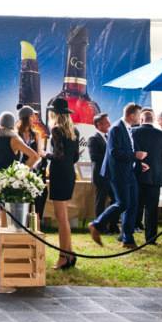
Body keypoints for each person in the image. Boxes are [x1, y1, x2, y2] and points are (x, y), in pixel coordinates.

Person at [90, 103, 143, 250]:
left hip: (129, 172)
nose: (140, 118)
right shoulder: (117, 128)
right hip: (118, 173)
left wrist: (138, 161)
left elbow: (130, 149)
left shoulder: (128, 128)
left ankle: (128, 239)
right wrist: (134, 155)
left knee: (133, 204)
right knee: (123, 203)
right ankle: (97, 224)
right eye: (138, 115)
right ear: (131, 115)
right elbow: (114, 152)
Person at [44, 99, 80, 269]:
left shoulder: (56, 130)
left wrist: (45, 154)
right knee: (63, 217)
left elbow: (58, 156)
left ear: (55, 114)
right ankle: (70, 254)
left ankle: (63, 257)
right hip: (69, 174)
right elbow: (74, 158)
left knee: (62, 219)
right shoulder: (74, 131)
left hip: (59, 175)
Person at [132, 109, 162, 245]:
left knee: (134, 205)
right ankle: (151, 238)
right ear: (153, 120)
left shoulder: (133, 131)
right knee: (152, 209)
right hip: (154, 176)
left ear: (142, 120)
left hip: (136, 174)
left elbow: (130, 151)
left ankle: (128, 234)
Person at [88, 113, 119, 234]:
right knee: (101, 201)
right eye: (106, 122)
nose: (109, 124)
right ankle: (100, 226)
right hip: (101, 175)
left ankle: (113, 225)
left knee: (117, 200)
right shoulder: (93, 139)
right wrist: (112, 157)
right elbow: (94, 157)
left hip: (113, 175)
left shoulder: (110, 137)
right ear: (99, 124)